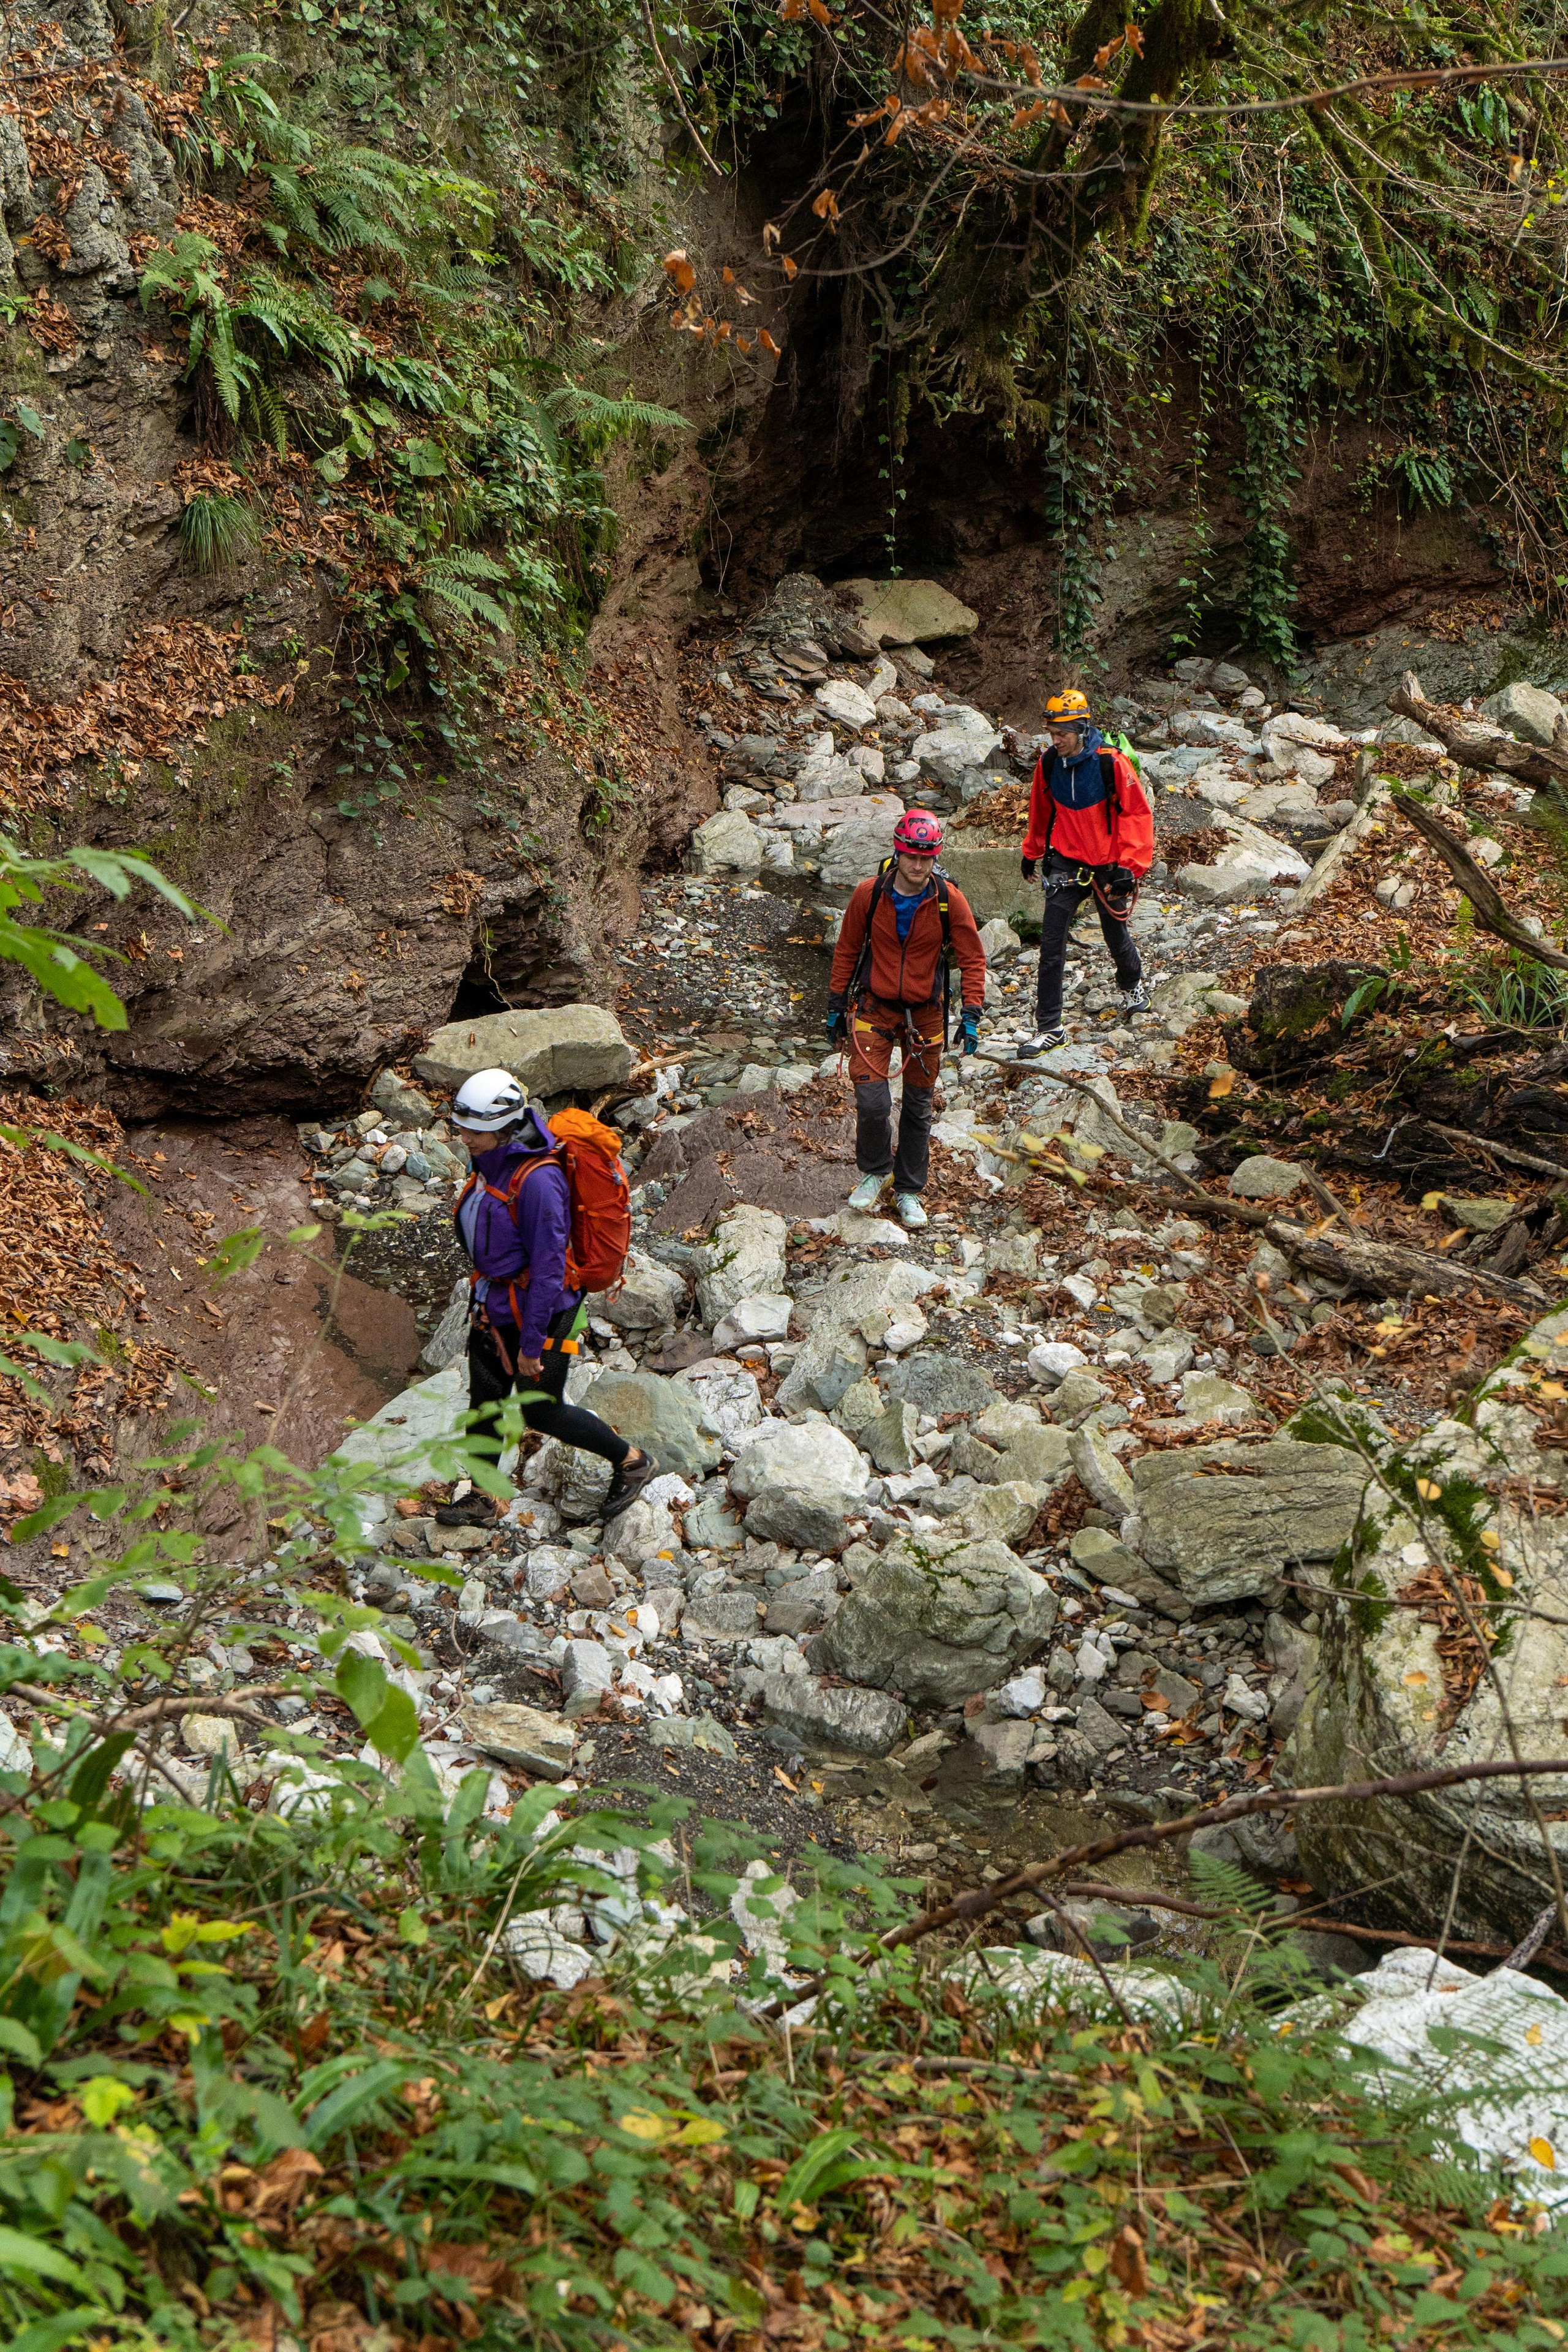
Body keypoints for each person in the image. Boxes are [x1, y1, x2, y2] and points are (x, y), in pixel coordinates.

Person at [434, 1068, 657, 1528]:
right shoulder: (492, 1160)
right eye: (463, 1128)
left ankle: (633, 1461)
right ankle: (482, 1496)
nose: (463, 1138)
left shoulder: (540, 1183)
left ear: (502, 1129)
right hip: (495, 1303)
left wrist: (532, 1345)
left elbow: (551, 1270)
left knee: (541, 1408)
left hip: (545, 1312)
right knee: (486, 1398)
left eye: (473, 1131)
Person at [826, 809, 987, 1230]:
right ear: (898, 853)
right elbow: (846, 949)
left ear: (935, 857)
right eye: (911, 857)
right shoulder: (870, 894)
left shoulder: (950, 900)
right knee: (872, 1102)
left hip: (927, 1014)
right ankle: (876, 1171)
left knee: (918, 1107)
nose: (918, 866)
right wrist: (834, 1005)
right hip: (874, 1008)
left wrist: (971, 1012)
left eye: (926, 858)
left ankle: (909, 1190)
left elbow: (972, 957)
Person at [1019, 688, 1155, 1055]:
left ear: (1080, 729)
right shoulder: (1049, 763)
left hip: (1109, 866)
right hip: (1066, 862)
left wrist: (1129, 868)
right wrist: (1032, 853)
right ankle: (1050, 1027)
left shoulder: (1111, 763)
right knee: (1051, 945)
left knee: (1115, 935)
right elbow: (1041, 810)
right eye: (1051, 733)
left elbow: (1137, 815)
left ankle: (1132, 985)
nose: (1055, 740)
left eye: (1061, 733)